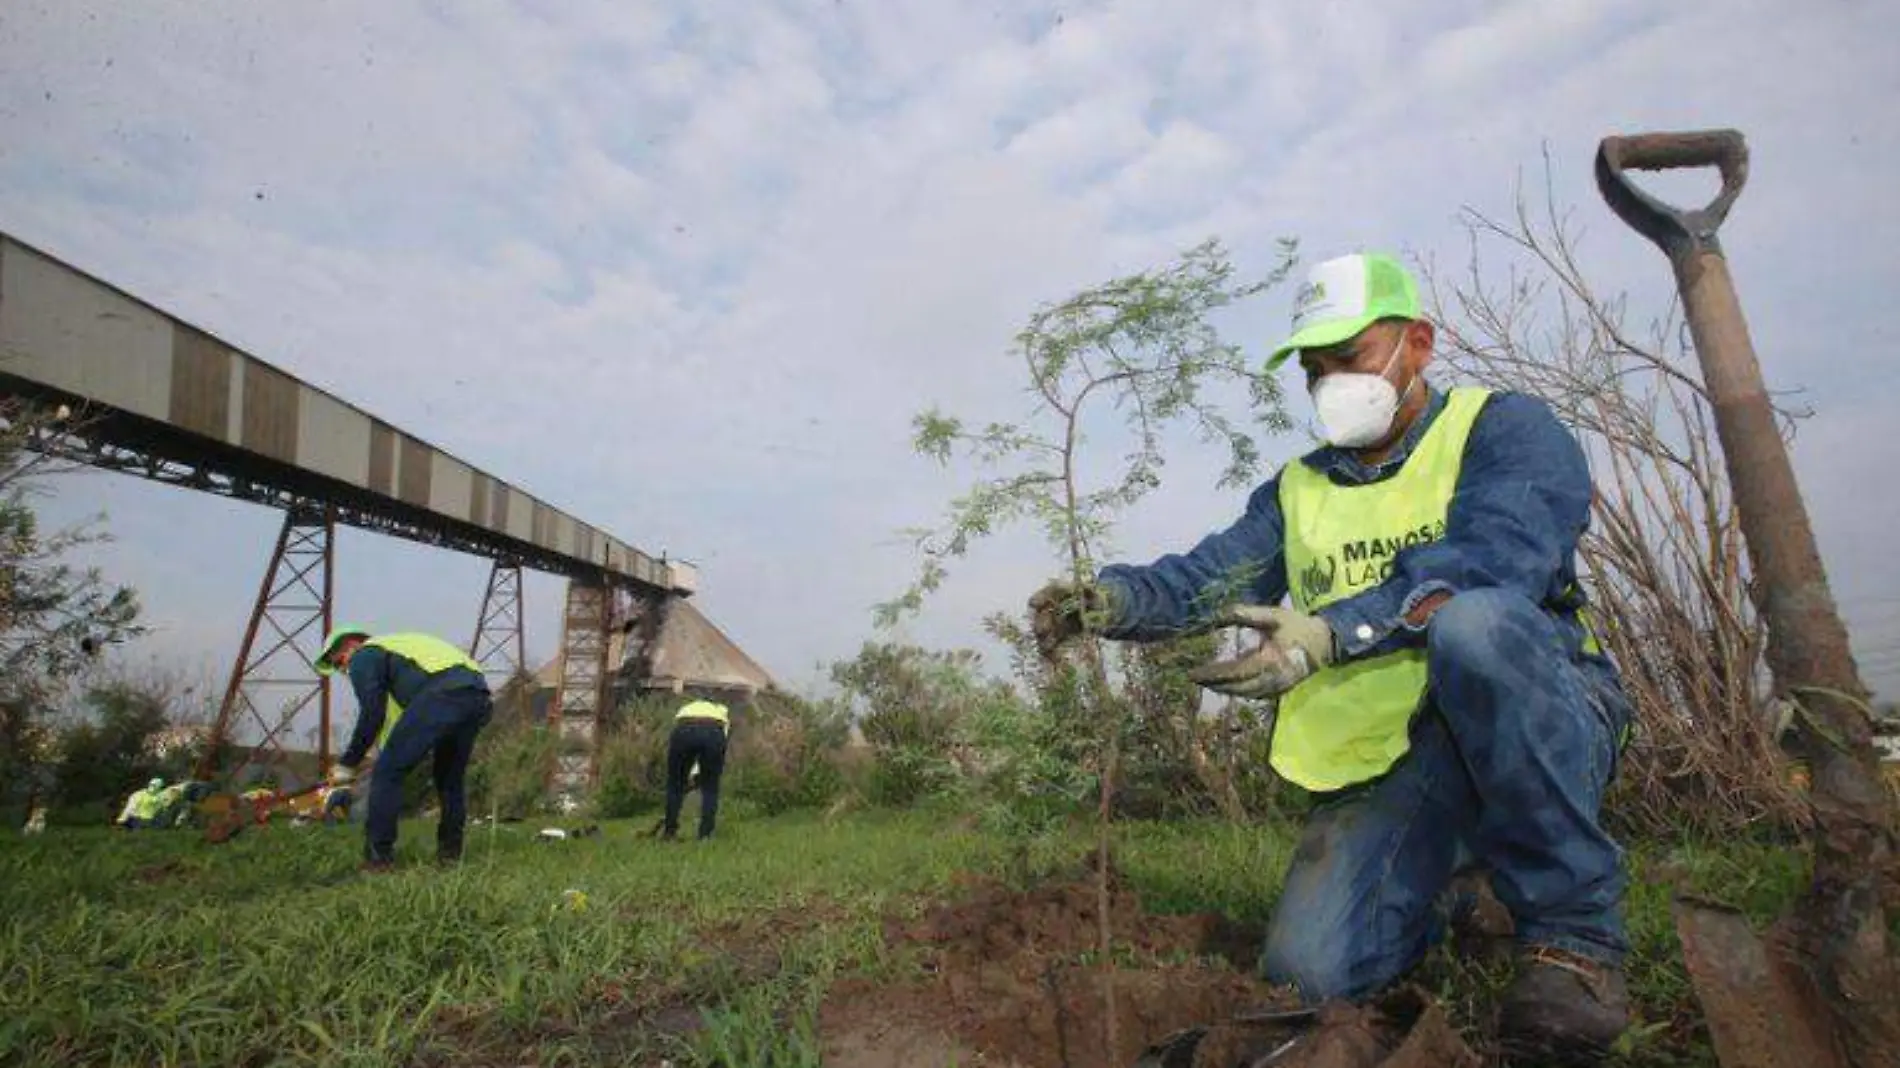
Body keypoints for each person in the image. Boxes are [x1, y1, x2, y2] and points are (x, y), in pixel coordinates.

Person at [1028, 252, 1633, 1059]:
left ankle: (1573, 940)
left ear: (1418, 342)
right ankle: (1459, 887)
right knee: (1307, 976)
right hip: (1396, 759)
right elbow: (1212, 578)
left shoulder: (1504, 432)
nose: (1332, 384)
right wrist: (1110, 602)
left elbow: (1498, 560)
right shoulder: (1297, 490)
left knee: (1476, 625)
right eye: (1315, 371)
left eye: (1350, 358)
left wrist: (1333, 631)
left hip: (1537, 713)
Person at [315, 625, 493, 872]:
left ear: (350, 644)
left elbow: (372, 714)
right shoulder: (402, 659)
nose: (343, 669)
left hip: (442, 693)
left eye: (340, 662)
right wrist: (384, 759)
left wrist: (348, 764)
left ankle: (379, 860)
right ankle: (450, 857)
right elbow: (394, 726)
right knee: (449, 781)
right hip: (476, 696)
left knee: (387, 776)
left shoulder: (365, 655)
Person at [661, 699, 730, 841]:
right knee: (711, 788)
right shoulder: (721, 711)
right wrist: (699, 775)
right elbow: (722, 738)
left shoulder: (686, 708)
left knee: (675, 785)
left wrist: (691, 774)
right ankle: (705, 835)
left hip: (684, 729)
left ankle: (669, 832)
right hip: (713, 731)